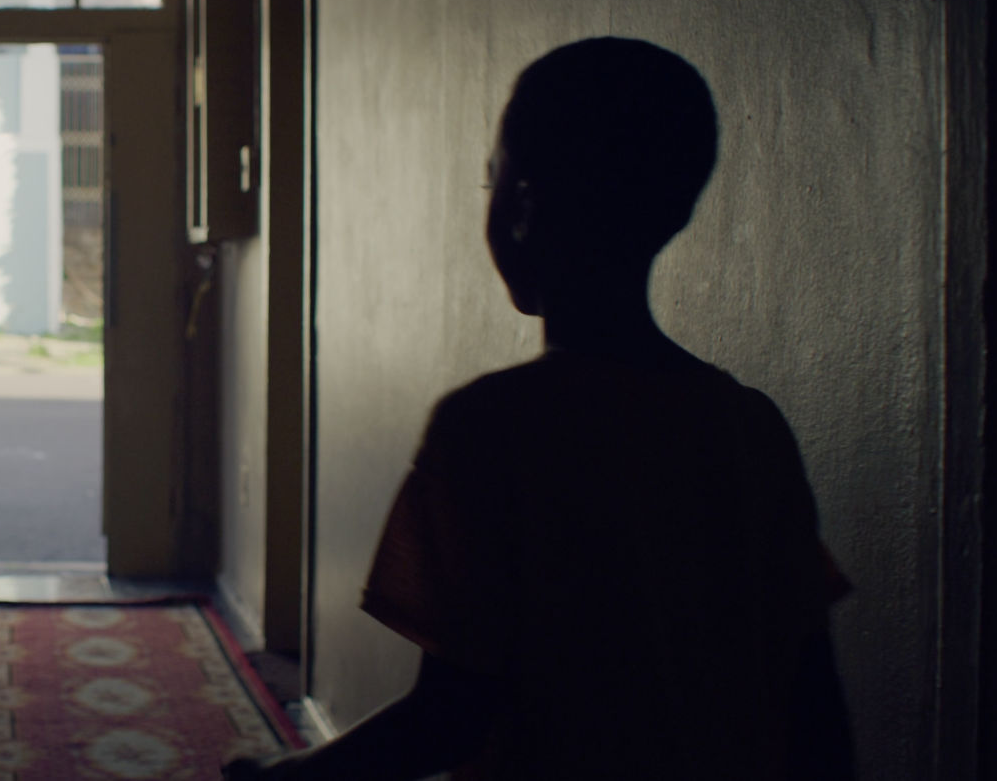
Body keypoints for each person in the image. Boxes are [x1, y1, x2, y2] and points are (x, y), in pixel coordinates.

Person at [228, 38, 854, 780]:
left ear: (521, 206)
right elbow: (812, 700)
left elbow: (451, 714)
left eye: (491, 181)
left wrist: (284, 777)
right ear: (677, 209)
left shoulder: (491, 429)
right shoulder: (750, 426)